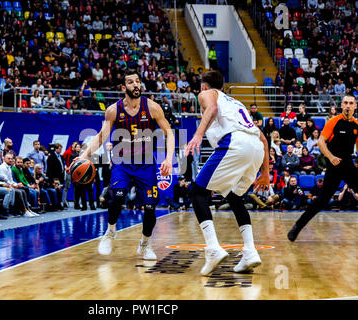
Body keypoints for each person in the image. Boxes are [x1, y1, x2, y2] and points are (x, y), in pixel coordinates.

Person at [73, 70, 174, 260]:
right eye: (130, 82)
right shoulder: (113, 110)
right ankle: (111, 231)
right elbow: (101, 136)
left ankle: (145, 243)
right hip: (122, 164)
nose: (136, 85)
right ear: (123, 87)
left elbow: (169, 133)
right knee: (118, 197)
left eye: (137, 81)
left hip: (146, 165)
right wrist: (85, 155)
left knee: (151, 208)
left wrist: (168, 159)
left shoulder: (152, 107)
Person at [184, 70, 270, 275]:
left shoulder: (206, 94)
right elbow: (264, 139)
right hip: (255, 147)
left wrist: (197, 135)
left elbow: (211, 108)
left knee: (197, 193)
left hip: (234, 143)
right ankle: (250, 251)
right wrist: (265, 172)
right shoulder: (236, 104)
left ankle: (213, 249)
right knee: (234, 197)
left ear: (204, 87)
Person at [288, 94, 358, 241]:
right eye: (345, 103)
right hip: (333, 166)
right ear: (342, 106)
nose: (347, 105)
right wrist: (331, 157)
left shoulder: (356, 125)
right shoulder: (333, 122)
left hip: (348, 164)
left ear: (355, 106)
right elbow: (321, 142)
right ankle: (297, 227)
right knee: (322, 200)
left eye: (351, 103)